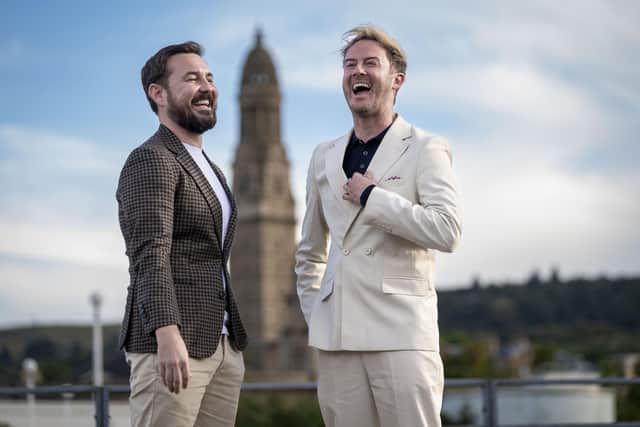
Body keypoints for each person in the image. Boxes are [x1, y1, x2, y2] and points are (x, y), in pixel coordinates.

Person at [295, 25, 462, 427]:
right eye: (350, 64)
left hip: (402, 335)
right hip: (336, 340)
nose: (358, 71)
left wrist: (373, 197)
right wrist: (319, 312)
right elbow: (309, 254)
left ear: (396, 79)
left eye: (371, 63)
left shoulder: (426, 148)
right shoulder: (323, 156)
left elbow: (447, 230)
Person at [116, 41, 247, 427]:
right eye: (191, 78)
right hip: (173, 346)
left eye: (210, 77)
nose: (207, 87)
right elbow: (149, 254)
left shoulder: (210, 167)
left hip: (220, 345)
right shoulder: (151, 158)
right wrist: (167, 334)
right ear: (158, 94)